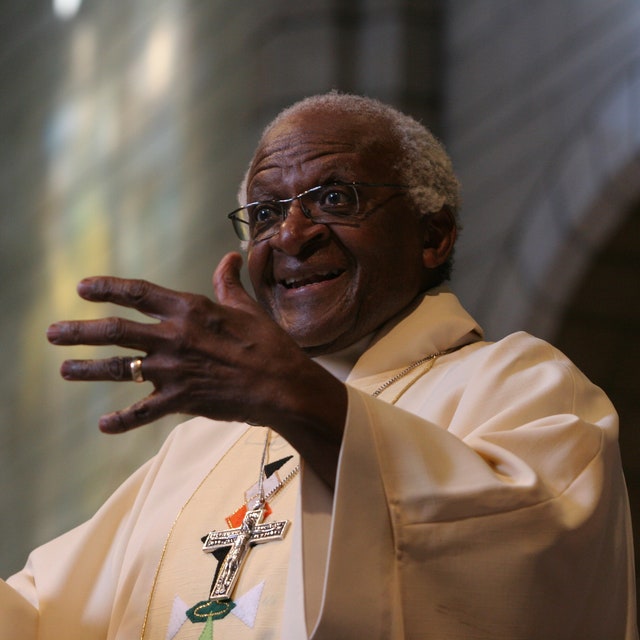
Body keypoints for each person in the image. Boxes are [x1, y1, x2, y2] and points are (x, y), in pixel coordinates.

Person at [0, 92, 637, 640]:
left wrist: (292, 394)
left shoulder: (521, 383)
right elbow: (39, 614)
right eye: (266, 213)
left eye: (334, 197)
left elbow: (527, 570)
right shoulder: (199, 450)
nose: (290, 235)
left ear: (433, 234)